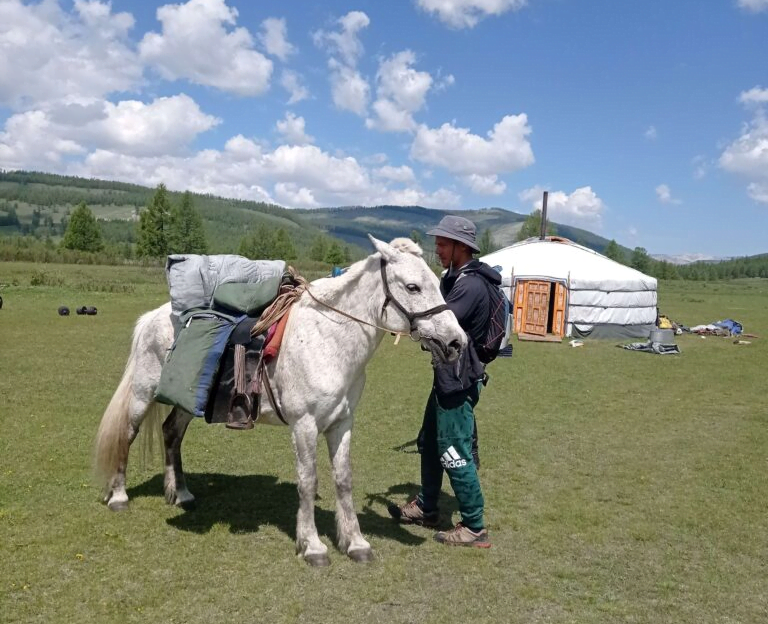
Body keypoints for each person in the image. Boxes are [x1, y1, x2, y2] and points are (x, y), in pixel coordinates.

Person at [388, 215, 501, 548]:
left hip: (459, 377)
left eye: (442, 243)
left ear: (460, 247)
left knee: (453, 451)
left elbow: (437, 323)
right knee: (430, 443)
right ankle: (427, 506)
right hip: (446, 375)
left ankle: (475, 526)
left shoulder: (470, 285)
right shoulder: (455, 277)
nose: (437, 249)